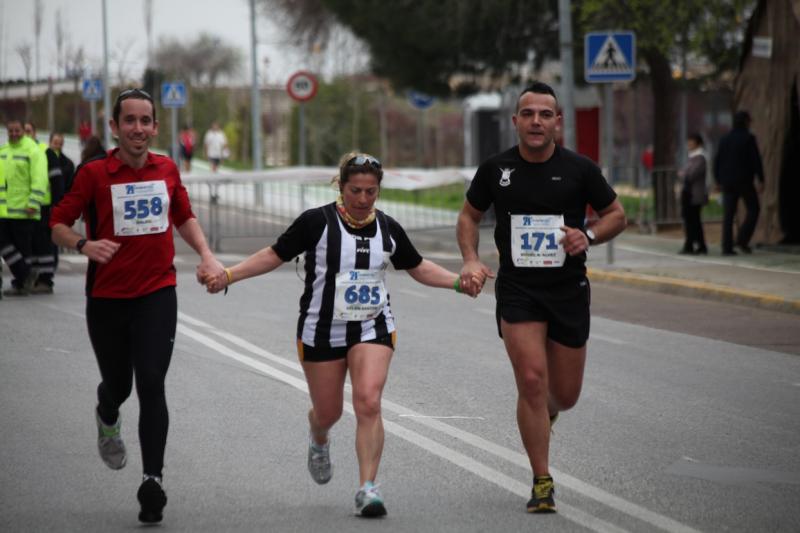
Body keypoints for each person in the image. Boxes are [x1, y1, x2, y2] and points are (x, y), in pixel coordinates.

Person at [202, 151, 480, 518]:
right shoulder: (315, 223)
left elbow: (418, 267)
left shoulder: (389, 228)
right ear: (340, 186)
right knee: (329, 411)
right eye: (355, 191)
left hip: (373, 326)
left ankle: (368, 487)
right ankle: (319, 436)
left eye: (370, 192)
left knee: (368, 401)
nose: (363, 200)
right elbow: (274, 255)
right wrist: (230, 274)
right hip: (321, 330)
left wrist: (459, 283)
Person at [50, 88, 225, 524]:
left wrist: (206, 255)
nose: (138, 129)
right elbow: (57, 223)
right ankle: (106, 412)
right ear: (114, 127)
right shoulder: (93, 174)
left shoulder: (166, 169)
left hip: (156, 293)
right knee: (119, 385)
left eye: (146, 121)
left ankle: (153, 480)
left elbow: (183, 216)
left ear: (155, 127)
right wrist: (84, 244)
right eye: (130, 120)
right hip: (107, 299)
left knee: (151, 380)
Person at [456, 82, 626, 514]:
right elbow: (468, 215)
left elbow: (617, 215)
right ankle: (542, 480)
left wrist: (585, 235)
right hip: (518, 290)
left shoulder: (579, 169)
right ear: (515, 121)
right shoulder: (496, 170)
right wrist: (471, 259)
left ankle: (546, 412)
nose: (536, 121)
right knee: (531, 380)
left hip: (567, 289)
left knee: (563, 395)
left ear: (557, 122)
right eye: (528, 114)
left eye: (545, 114)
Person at [0, 118, 48, 297]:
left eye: (17, 130)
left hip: (25, 210)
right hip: (5, 210)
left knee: (23, 249)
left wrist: (34, 202)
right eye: (10, 131)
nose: (14, 134)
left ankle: (21, 283)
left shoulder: (33, 150)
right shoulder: (3, 151)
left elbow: (39, 178)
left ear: (23, 130)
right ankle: (25, 274)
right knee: (4, 245)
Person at [714, 110, 764, 255]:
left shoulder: (725, 139)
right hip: (744, 181)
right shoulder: (748, 138)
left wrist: (717, 179)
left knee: (728, 214)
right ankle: (742, 238)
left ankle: (726, 247)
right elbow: (755, 160)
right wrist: (761, 178)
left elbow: (717, 161)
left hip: (727, 182)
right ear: (746, 122)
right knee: (754, 208)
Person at [30, 132, 75, 293]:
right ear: (50, 142)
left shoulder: (66, 163)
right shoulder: (41, 156)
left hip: (51, 206)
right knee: (40, 242)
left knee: (49, 242)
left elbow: (66, 186)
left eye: (60, 143)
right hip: (39, 206)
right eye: (55, 143)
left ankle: (46, 275)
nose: (57, 146)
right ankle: (37, 274)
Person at [678, 133, 708, 255]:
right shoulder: (692, 157)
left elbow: (689, 174)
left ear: (698, 143)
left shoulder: (700, 158)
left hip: (695, 195)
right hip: (688, 194)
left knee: (694, 220)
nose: (688, 145)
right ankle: (692, 243)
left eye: (691, 142)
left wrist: (683, 174)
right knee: (690, 220)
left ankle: (697, 245)